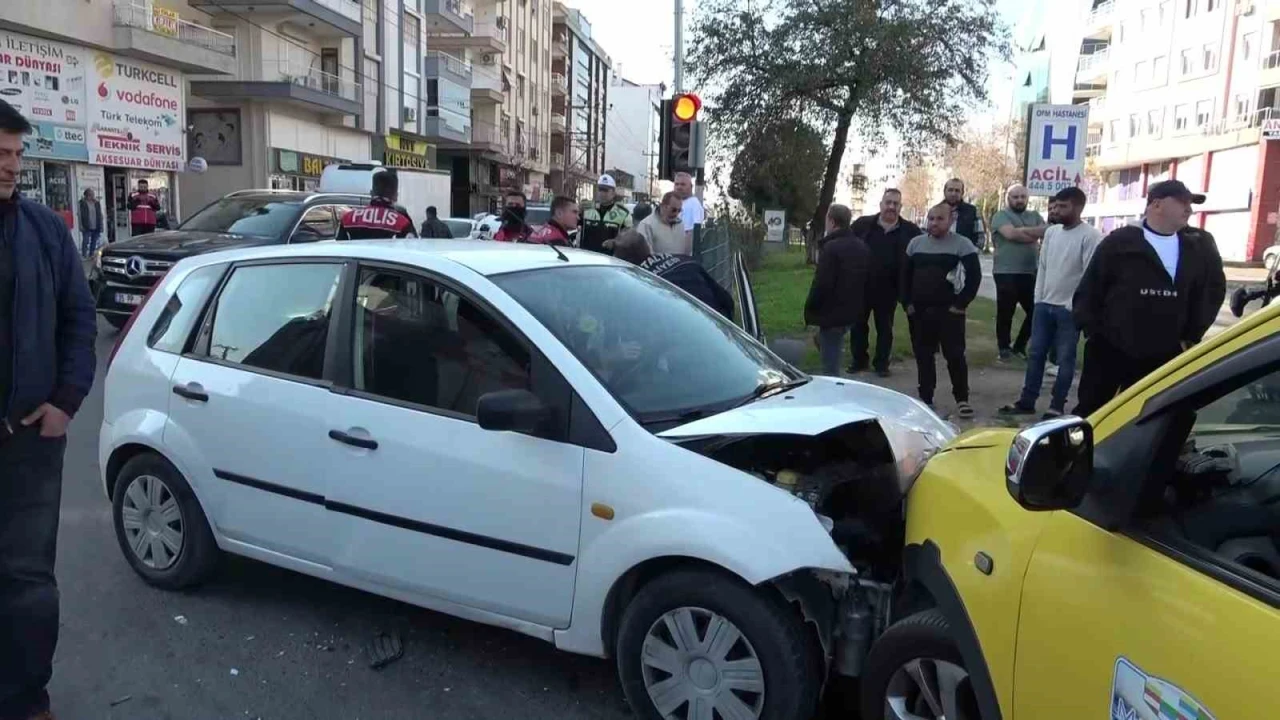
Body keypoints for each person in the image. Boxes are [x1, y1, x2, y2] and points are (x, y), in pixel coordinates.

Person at [0, 98, 98, 720]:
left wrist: (66, 401)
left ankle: (26, 697)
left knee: (29, 581)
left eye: (14, 154)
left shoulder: (44, 231)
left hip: (32, 441)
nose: (9, 166)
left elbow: (79, 319)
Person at [1072, 180, 1227, 417]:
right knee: (1093, 411)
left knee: (1149, 417)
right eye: (1182, 203)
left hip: (1165, 353)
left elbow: (1212, 290)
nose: (1189, 210)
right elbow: (1091, 288)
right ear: (1156, 204)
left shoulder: (1200, 243)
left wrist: (1191, 336)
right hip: (1111, 350)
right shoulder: (1120, 241)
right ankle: (1081, 453)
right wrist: (1094, 332)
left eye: (1191, 204)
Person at [999, 188, 1102, 419]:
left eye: (1063, 206)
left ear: (1078, 207)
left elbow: (1089, 276)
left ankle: (1056, 405)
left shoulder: (1090, 236)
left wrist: (1074, 306)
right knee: (1036, 354)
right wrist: (1038, 300)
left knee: (1065, 358)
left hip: (1069, 309)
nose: (1056, 210)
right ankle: (1027, 401)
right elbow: (1042, 268)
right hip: (1044, 305)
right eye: (1054, 206)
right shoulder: (1052, 233)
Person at [902, 203, 982, 418]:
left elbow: (974, 278)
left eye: (939, 219)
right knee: (923, 356)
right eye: (931, 218)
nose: (934, 223)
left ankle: (962, 399)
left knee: (955, 356)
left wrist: (960, 305)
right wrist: (907, 304)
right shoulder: (915, 244)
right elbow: (904, 277)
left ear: (950, 220)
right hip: (920, 312)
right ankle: (926, 398)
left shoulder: (962, 245)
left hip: (950, 313)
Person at [849, 188, 920, 376]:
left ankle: (881, 364)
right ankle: (859, 361)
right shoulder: (862, 225)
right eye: (888, 202)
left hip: (890, 288)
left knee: (885, 328)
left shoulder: (911, 231)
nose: (891, 207)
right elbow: (847, 248)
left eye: (895, 204)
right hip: (861, 286)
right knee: (857, 326)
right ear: (881, 204)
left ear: (900, 207)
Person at [804, 204, 871, 376]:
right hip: (852, 311)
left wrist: (810, 308)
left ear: (832, 222)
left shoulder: (831, 248)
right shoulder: (861, 246)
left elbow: (822, 284)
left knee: (830, 368)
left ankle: (833, 396)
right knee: (828, 343)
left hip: (832, 313)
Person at [608, 230, 734, 318]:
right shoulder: (685, 260)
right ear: (647, 246)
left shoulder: (639, 285)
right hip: (718, 327)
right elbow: (726, 300)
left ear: (623, 261)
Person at [990, 184, 1049, 361]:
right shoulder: (1001, 215)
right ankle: (1003, 348)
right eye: (1015, 197)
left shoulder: (1035, 215)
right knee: (1006, 311)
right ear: (1008, 198)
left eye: (1022, 197)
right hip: (1005, 271)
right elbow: (1010, 235)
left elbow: (1046, 231)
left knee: (1036, 311)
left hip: (1029, 271)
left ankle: (1019, 346)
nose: (1019, 200)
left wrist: (1022, 231)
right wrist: (1032, 235)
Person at [336, 169, 417, 240]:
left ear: (371, 193)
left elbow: (339, 250)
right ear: (395, 196)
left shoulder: (348, 219)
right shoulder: (402, 223)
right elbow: (412, 250)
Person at [579, 174, 633, 253]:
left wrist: (615, 243)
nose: (602, 193)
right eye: (600, 189)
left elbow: (629, 239)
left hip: (610, 260)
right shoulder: (586, 210)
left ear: (613, 193)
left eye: (605, 190)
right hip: (588, 258)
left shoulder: (623, 214)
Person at [943, 178, 983, 250]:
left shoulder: (973, 211)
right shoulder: (935, 211)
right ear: (944, 191)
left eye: (957, 191)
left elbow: (980, 238)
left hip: (964, 257)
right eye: (950, 190)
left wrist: (970, 254)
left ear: (962, 193)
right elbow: (925, 234)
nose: (953, 193)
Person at [674, 171, 705, 248]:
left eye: (683, 184)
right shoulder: (679, 203)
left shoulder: (693, 205)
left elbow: (689, 234)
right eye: (676, 184)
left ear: (691, 187)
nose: (679, 187)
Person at [77, 188, 104, 259]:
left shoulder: (96, 203)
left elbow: (100, 215)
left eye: (92, 194)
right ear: (87, 195)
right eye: (90, 195)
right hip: (86, 225)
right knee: (85, 241)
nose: (92, 196)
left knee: (94, 241)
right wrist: (80, 225)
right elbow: (79, 215)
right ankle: (84, 254)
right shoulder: (82, 203)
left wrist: (101, 225)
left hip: (96, 225)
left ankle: (91, 254)